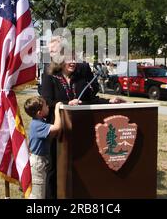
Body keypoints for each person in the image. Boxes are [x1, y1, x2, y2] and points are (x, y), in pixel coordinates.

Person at [41, 36, 125, 199]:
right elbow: (47, 102)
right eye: (69, 59)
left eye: (75, 59)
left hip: (78, 130)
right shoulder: (49, 77)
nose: (73, 62)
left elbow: (90, 100)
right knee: (54, 168)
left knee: (77, 166)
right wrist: (66, 103)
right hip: (57, 129)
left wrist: (109, 101)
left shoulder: (80, 80)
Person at [24, 97, 62, 199]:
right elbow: (57, 127)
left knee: (40, 191)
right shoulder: (38, 125)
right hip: (37, 163)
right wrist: (57, 109)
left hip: (39, 161)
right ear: (40, 113)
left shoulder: (39, 122)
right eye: (46, 105)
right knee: (37, 194)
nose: (48, 106)